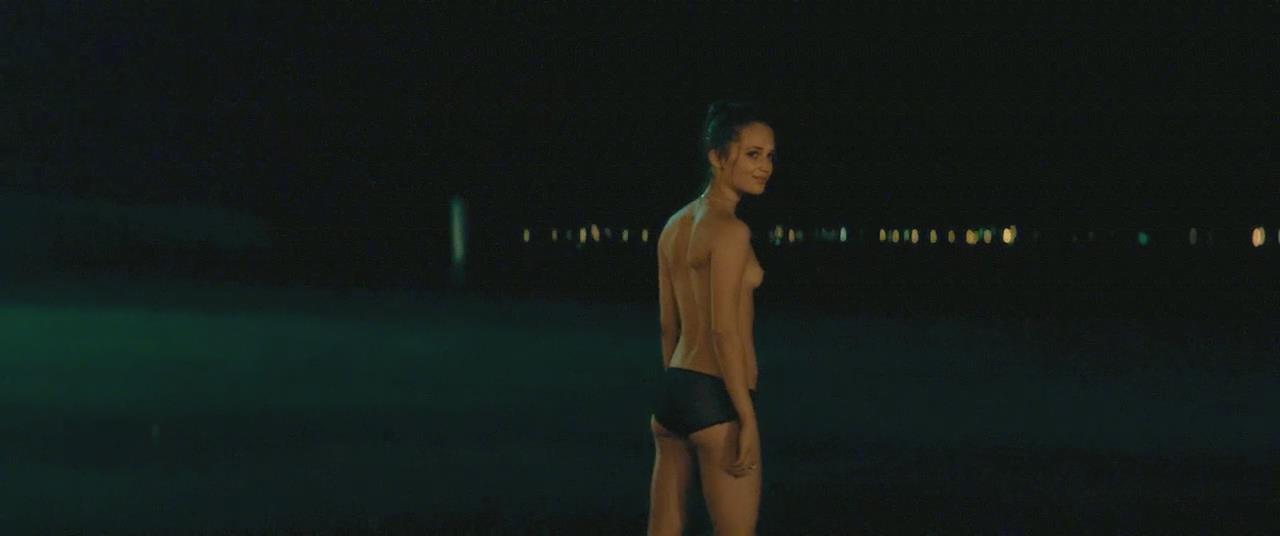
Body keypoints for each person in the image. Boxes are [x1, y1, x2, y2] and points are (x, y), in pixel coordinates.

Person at [647, 100, 775, 536]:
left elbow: (668, 324)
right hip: (718, 397)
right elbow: (723, 331)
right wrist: (746, 417)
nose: (765, 167)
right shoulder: (731, 231)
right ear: (718, 157)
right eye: (752, 154)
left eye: (770, 156)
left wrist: (676, 390)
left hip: (674, 391)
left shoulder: (673, 226)